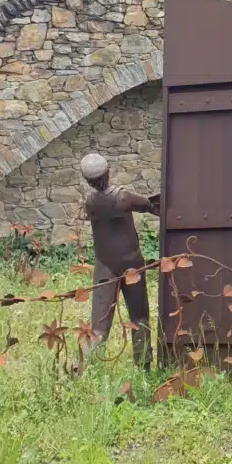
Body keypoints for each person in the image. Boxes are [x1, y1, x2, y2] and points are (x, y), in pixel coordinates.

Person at [80, 153, 159, 368]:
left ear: (88, 180)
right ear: (108, 172)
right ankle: (144, 365)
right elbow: (148, 204)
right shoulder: (122, 197)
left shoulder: (89, 202)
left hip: (104, 264)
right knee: (139, 317)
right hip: (131, 263)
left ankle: (85, 367)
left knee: (98, 323)